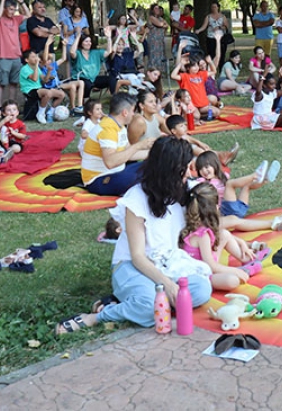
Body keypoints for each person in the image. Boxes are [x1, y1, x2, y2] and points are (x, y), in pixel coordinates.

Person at [56, 137, 212, 334]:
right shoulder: (137, 200)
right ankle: (97, 316)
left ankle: (136, 299)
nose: (189, 174)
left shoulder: (185, 190)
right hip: (132, 265)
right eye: (185, 169)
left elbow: (212, 202)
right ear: (169, 171)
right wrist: (169, 285)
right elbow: (138, 257)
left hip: (167, 262)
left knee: (201, 290)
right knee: (150, 309)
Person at [178, 182, 263, 291]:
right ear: (216, 207)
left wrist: (241, 242)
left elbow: (221, 233)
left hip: (205, 266)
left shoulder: (196, 224)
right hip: (202, 274)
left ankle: (246, 259)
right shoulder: (202, 235)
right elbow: (210, 266)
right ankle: (244, 269)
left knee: (224, 234)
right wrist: (236, 271)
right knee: (232, 281)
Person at [194, 151, 282, 234]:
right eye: (201, 169)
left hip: (237, 208)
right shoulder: (202, 182)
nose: (204, 171)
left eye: (207, 167)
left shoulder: (222, 177)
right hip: (224, 212)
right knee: (230, 184)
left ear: (215, 164)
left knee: (246, 186)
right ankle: (255, 175)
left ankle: (265, 179)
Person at [80, 92, 155, 196]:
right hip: (99, 180)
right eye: (133, 111)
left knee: (155, 165)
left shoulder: (120, 126)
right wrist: (139, 145)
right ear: (125, 112)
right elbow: (110, 162)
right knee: (151, 171)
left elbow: (129, 154)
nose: (134, 114)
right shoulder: (108, 128)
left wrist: (155, 153)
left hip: (115, 173)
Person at [0, 0, 31, 107]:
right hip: (3, 56)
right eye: (11, 9)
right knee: (1, 84)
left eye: (14, 10)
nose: (13, 12)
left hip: (16, 56)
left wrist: (22, 2)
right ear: (5, 8)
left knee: (14, 83)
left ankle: (11, 106)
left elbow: (28, 15)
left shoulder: (16, 19)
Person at [69, 28, 112, 98]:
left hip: (93, 78)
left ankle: (115, 98)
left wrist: (109, 38)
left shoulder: (95, 52)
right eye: (86, 41)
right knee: (87, 84)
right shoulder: (78, 53)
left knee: (111, 79)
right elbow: (72, 52)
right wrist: (78, 37)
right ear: (81, 43)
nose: (89, 43)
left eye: (90, 41)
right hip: (80, 78)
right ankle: (85, 102)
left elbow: (108, 52)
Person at [143, 3, 168, 70]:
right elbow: (160, 24)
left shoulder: (160, 18)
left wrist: (163, 25)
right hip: (153, 40)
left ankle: (160, 71)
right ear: (152, 10)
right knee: (153, 55)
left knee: (161, 55)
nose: (158, 10)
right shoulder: (151, 17)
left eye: (158, 8)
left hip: (160, 40)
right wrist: (162, 24)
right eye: (155, 8)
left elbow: (167, 25)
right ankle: (152, 70)